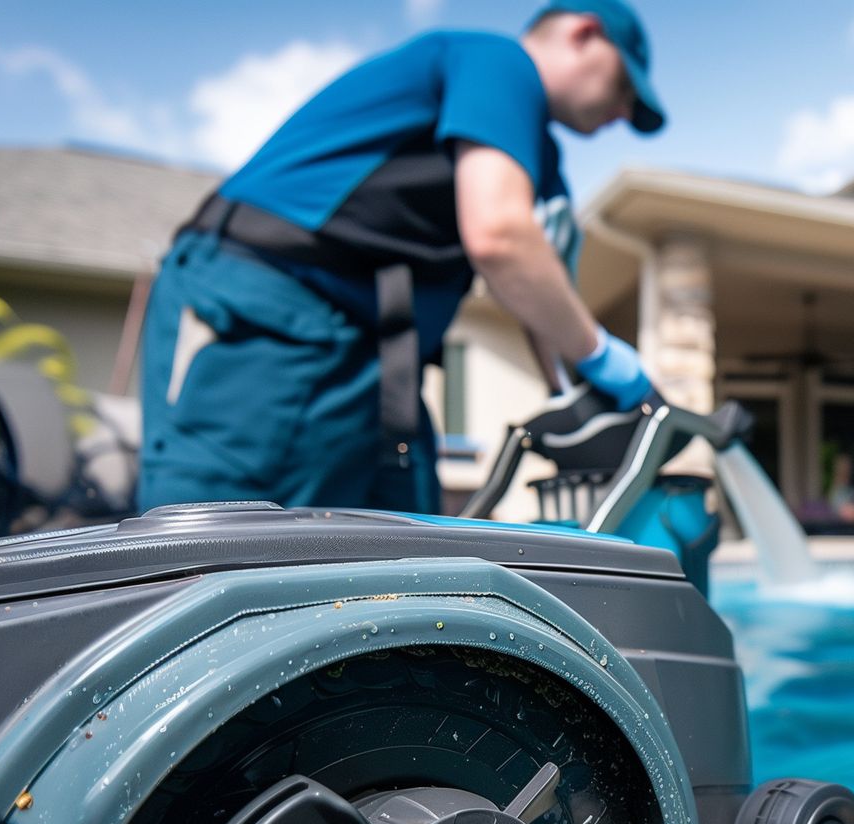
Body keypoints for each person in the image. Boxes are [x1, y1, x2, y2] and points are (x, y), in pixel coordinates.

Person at [136, 0, 664, 512]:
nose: (621, 113)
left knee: (398, 553)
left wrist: (571, 398)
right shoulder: (499, 62)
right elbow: (500, 238)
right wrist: (602, 356)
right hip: (270, 312)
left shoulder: (537, 161)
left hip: (380, 357)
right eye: (624, 88)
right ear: (584, 33)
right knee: (226, 540)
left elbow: (532, 282)